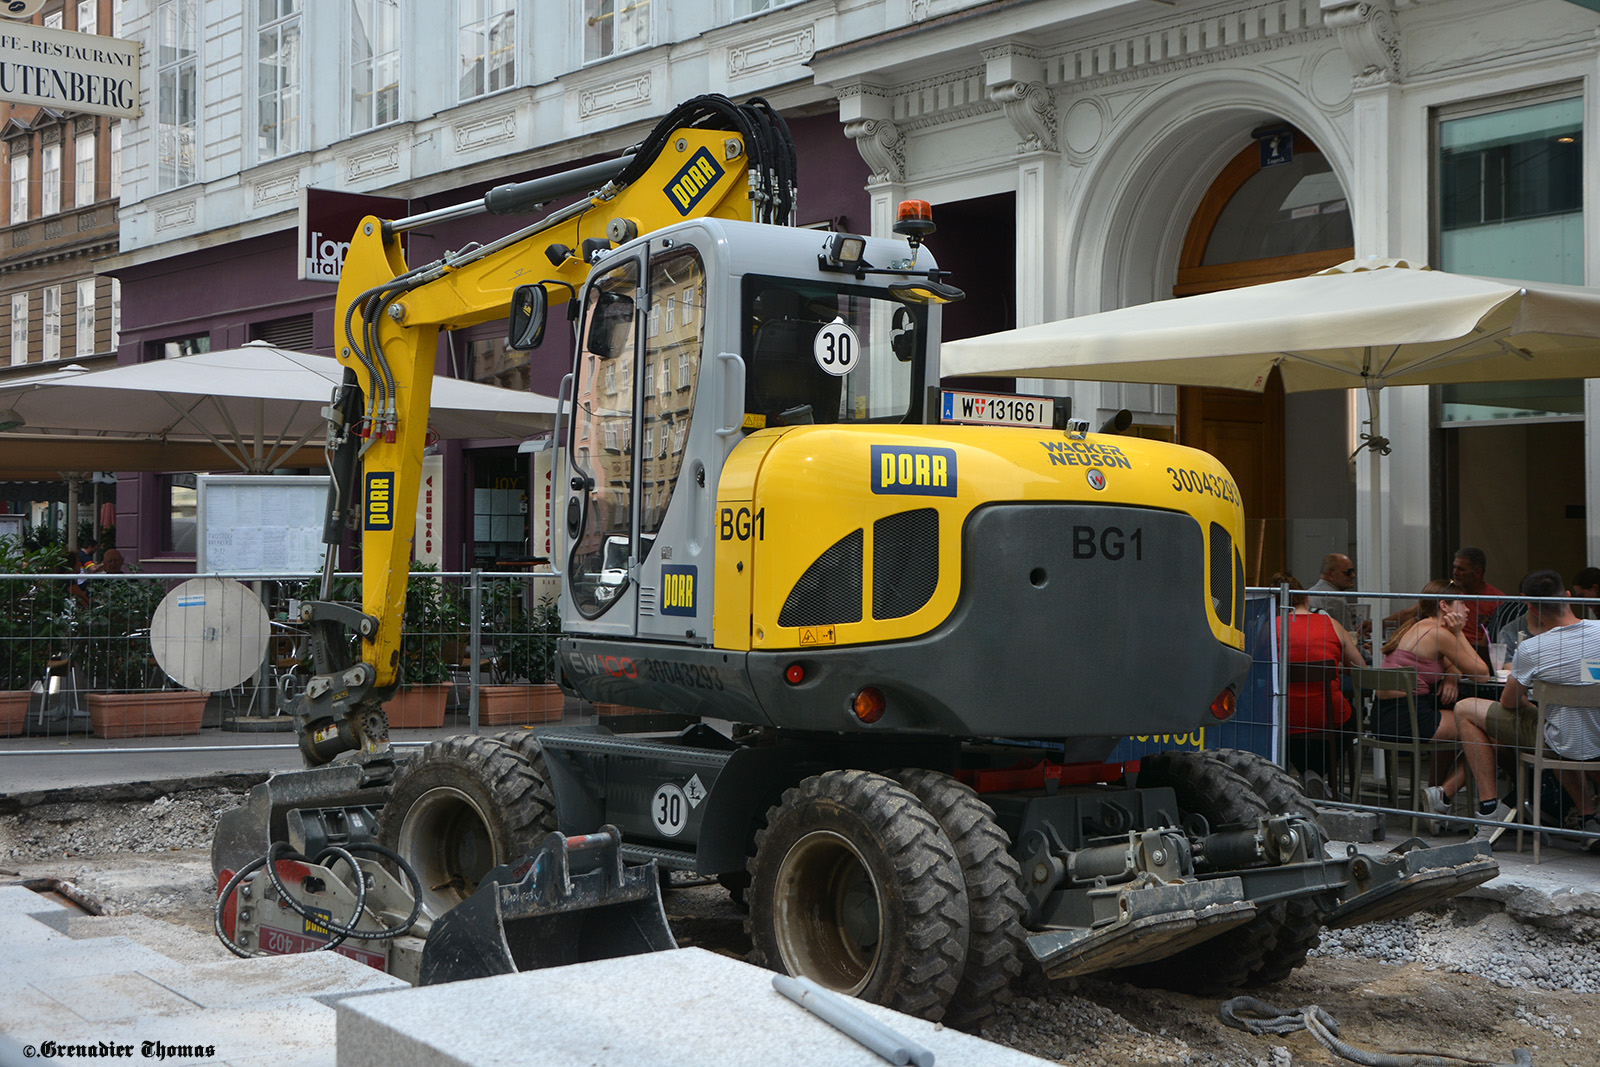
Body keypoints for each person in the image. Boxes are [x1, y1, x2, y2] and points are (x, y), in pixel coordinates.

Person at [1454, 570, 1600, 852]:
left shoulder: (1532, 648)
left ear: (1530, 606)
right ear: (1568, 596)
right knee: (1562, 721)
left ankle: (1488, 811)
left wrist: (1531, 704)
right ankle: (1586, 818)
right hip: (1595, 736)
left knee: (1464, 709)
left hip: (1558, 740)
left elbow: (1509, 703)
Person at [1372, 580, 1495, 834]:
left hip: (1385, 716)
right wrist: (1460, 633)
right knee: (1490, 733)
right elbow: (1482, 673)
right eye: (1462, 602)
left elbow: (1444, 660)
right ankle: (1443, 795)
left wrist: (1450, 673)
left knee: (1459, 723)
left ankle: (1434, 802)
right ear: (1444, 606)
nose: (1468, 609)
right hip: (1409, 717)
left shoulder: (1419, 626)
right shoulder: (1441, 633)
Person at [1274, 573, 1365, 798]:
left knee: (1282, 725)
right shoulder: (1331, 624)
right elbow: (1360, 668)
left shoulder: (1268, 627)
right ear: (1306, 599)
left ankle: (1307, 775)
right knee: (1349, 718)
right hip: (1329, 714)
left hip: (1284, 715)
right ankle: (1317, 774)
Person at [1451, 547, 1505, 646]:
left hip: (1478, 652)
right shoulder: (1448, 593)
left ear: (1478, 572)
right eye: (1454, 567)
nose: (1455, 572)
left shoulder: (1497, 600)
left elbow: (1492, 642)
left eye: (1461, 569)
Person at [1307, 552, 1365, 636]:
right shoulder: (1335, 601)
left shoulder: (1309, 593)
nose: (1353, 575)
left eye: (1353, 571)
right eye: (1348, 572)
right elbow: (1348, 638)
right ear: (1330, 575)